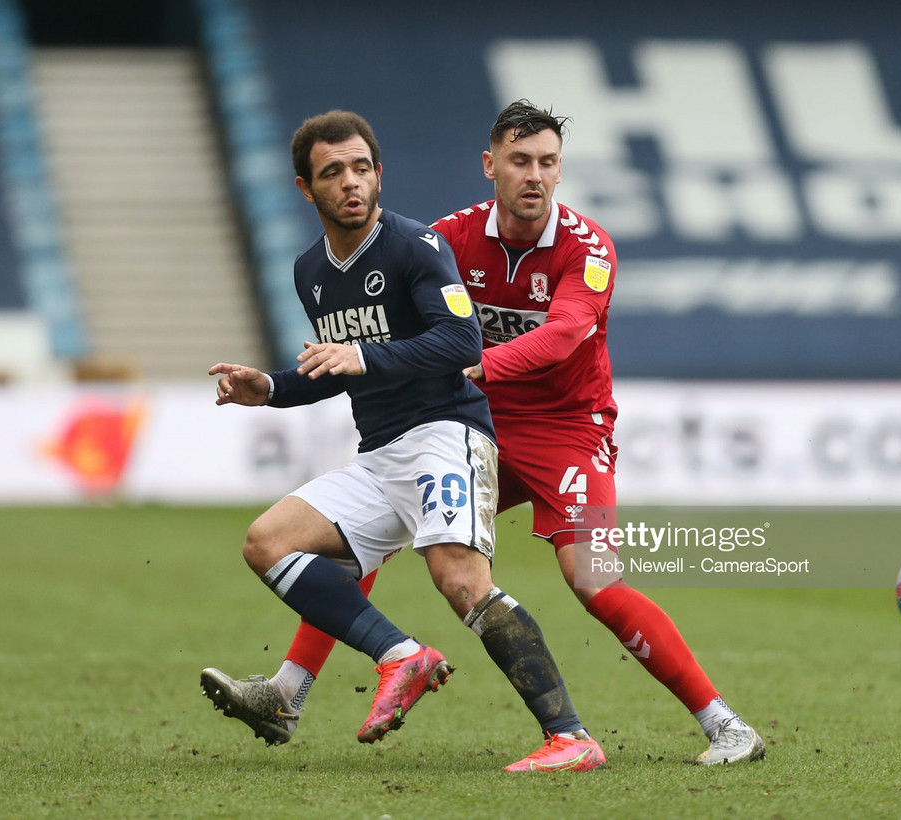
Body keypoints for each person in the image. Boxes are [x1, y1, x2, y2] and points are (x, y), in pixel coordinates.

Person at [208, 101, 765, 766]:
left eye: (548, 163)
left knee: (595, 581)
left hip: (567, 431)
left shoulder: (587, 248)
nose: (535, 175)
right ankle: (288, 692)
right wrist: (277, 385)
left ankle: (725, 725)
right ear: (490, 166)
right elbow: (375, 339)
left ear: (561, 172)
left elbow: (564, 334)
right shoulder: (449, 239)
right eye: (520, 161)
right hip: (473, 420)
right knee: (363, 544)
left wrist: (476, 360)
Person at [200, 109, 605, 773]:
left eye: (362, 169)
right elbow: (340, 370)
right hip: (381, 453)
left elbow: (461, 342)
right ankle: (401, 656)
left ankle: (571, 737)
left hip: (447, 434)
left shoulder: (416, 246)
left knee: (460, 581)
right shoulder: (311, 272)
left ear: (380, 174)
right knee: (267, 542)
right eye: (334, 173)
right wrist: (270, 389)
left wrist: (363, 356)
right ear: (306, 188)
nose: (352, 183)